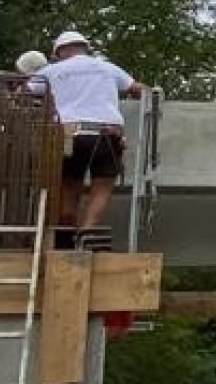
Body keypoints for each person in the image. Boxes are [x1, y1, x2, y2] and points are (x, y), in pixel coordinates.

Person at [28, 29, 144, 237]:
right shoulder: (107, 68)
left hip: (67, 133)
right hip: (106, 133)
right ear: (84, 48)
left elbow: (26, 92)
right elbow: (138, 89)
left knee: (69, 185)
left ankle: (65, 234)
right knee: (102, 185)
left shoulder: (52, 71)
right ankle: (88, 231)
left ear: (61, 51)